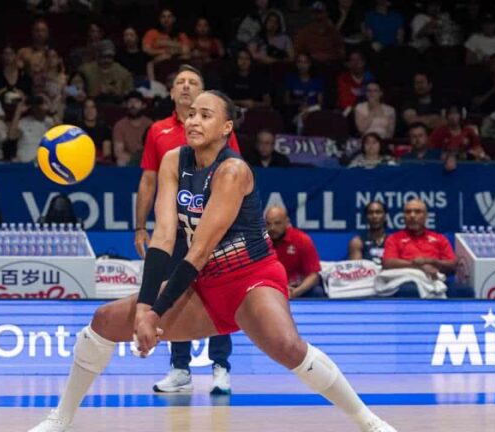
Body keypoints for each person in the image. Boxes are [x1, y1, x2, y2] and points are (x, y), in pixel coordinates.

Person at [28, 90, 396, 432]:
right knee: (104, 320)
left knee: (288, 348)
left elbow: (199, 249)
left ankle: (368, 422)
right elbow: (164, 238)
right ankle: (60, 419)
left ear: (226, 128)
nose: (193, 121)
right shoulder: (173, 160)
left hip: (252, 278)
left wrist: (155, 313)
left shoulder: (233, 171)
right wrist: (143, 307)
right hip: (204, 286)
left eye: (205, 115)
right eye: (190, 114)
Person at [134, 65, 238, 397]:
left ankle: (220, 367)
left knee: (220, 297)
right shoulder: (158, 132)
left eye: (193, 82)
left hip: (215, 232)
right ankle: (180, 368)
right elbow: (149, 180)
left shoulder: (219, 128)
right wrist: (140, 225)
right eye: (179, 82)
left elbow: (232, 176)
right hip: (178, 229)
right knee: (174, 294)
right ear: (171, 92)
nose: (185, 86)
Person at [382, 199, 456, 296]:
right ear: (403, 216)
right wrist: (420, 267)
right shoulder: (394, 238)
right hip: (406, 280)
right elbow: (388, 263)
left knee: (464, 290)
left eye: (417, 212)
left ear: (426, 216)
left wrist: (431, 261)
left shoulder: (440, 239)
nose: (412, 216)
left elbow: (452, 264)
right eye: (408, 212)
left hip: (435, 278)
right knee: (409, 290)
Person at [265, 206, 325, 299]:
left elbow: (314, 276)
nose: (272, 228)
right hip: (270, 288)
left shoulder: (301, 240)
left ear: (287, 222)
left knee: (317, 292)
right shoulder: (260, 242)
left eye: (277, 223)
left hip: (296, 288)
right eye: (268, 224)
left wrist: (295, 292)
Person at [113, 91, 153, 167]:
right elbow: (118, 152)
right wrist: (134, 159)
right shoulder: (120, 125)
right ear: (126, 105)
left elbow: (154, 149)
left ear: (143, 105)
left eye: (136, 102)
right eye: (130, 102)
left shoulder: (150, 124)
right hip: (129, 159)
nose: (133, 105)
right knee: (120, 161)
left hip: (146, 158)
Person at [348, 201, 388, 265]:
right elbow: (356, 271)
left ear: (385, 216)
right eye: (370, 213)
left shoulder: (393, 241)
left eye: (378, 212)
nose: (374, 216)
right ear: (366, 217)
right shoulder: (357, 242)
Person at [79, 98, 113, 165]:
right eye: (86, 107)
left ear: (97, 110)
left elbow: (106, 154)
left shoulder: (105, 129)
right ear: (83, 111)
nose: (89, 111)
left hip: (100, 164)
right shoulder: (76, 130)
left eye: (92, 107)